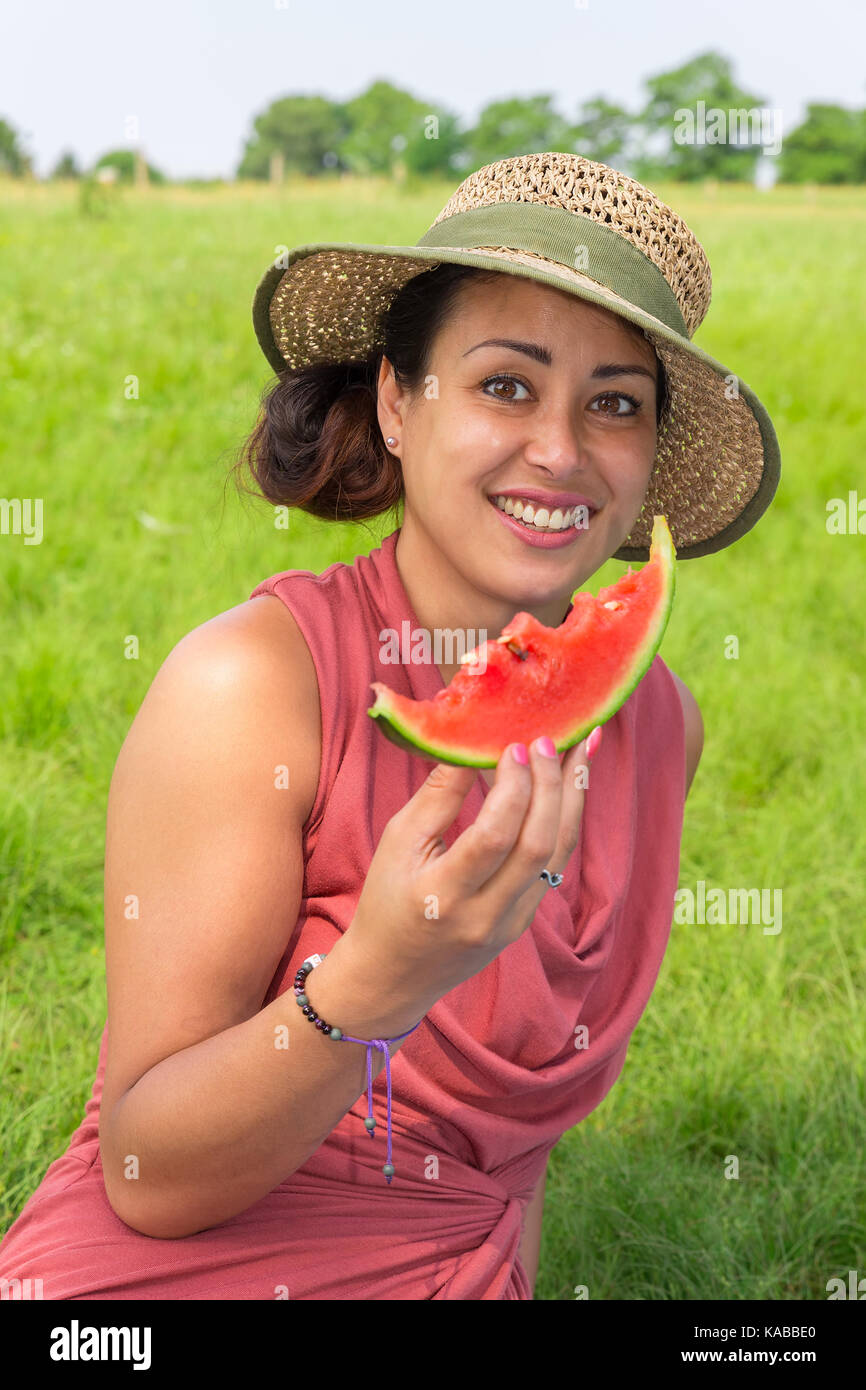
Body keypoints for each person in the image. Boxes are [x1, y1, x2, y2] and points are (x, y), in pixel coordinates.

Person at [0, 151, 780, 1300]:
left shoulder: (661, 725)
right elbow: (143, 1173)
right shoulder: (249, 686)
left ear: (648, 461)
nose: (559, 450)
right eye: (504, 385)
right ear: (395, 402)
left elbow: (512, 1157)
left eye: (613, 404)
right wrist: (373, 984)